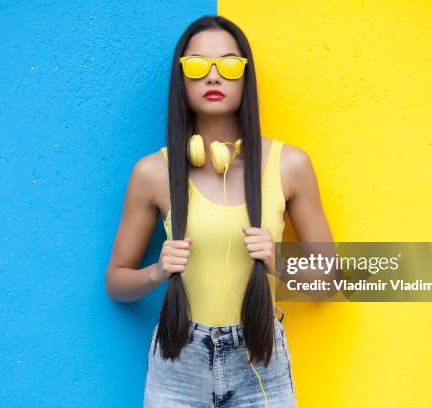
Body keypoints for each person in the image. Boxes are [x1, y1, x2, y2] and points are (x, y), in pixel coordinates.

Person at [105, 15, 334, 407]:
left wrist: (277, 260)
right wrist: (157, 271)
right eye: (197, 66)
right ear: (182, 79)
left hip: (260, 356)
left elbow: (331, 280)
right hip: (179, 358)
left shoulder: (289, 165)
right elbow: (116, 282)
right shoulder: (153, 172)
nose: (214, 77)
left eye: (229, 65)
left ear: (246, 77)